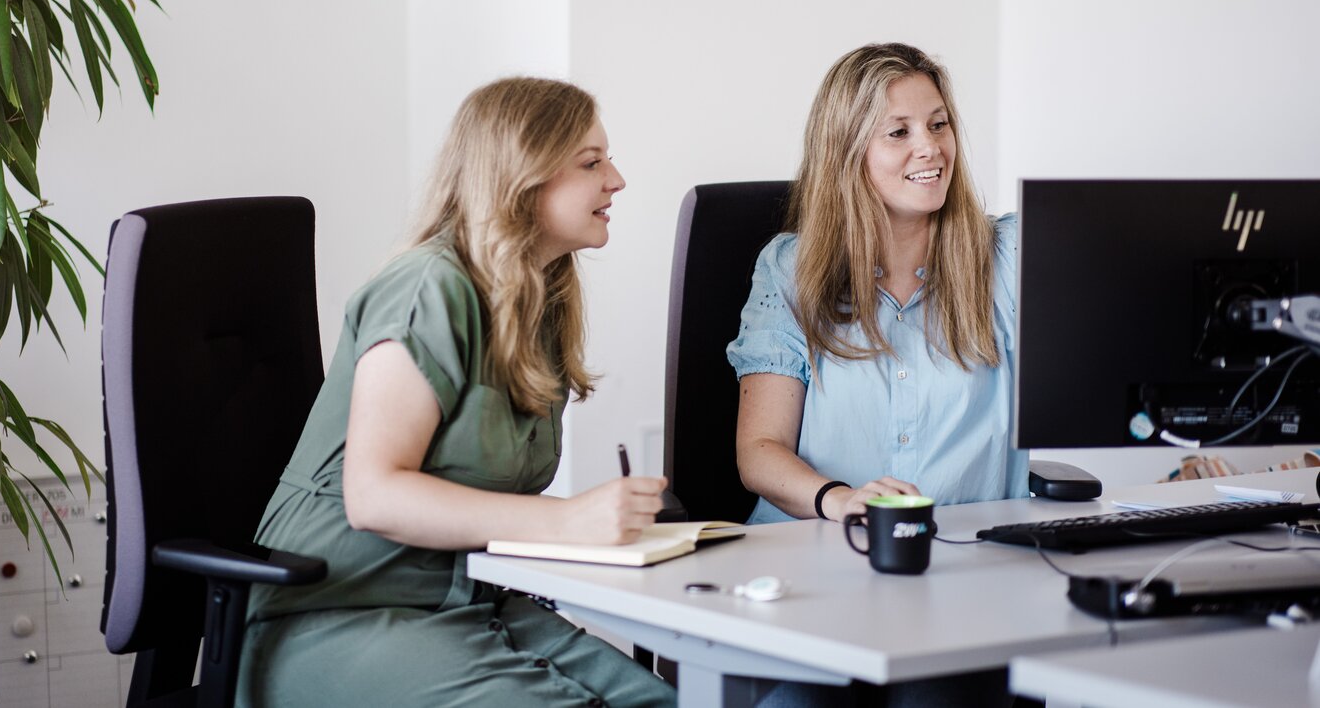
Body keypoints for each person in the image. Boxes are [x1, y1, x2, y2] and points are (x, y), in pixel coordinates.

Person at [238, 77, 676, 708]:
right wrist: (567, 521)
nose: (617, 180)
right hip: (341, 614)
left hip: (472, 604)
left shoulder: (540, 300)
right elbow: (373, 495)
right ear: (521, 177)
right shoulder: (428, 288)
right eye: (591, 163)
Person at [727, 44, 1029, 707]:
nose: (931, 148)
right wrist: (840, 500)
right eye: (899, 131)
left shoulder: (1008, 258)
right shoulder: (790, 271)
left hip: (961, 586)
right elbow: (759, 451)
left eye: (939, 124)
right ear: (848, 151)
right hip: (810, 577)